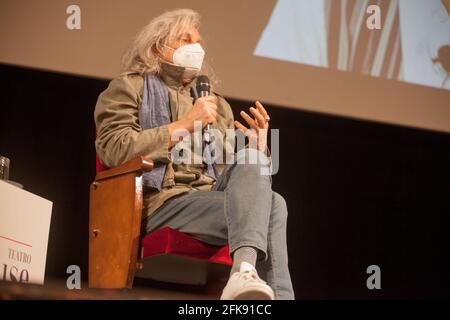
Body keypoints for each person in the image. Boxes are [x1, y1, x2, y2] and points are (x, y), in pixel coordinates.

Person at [94, 8, 294, 300]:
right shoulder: (129, 88)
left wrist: (256, 148)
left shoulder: (214, 103)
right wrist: (184, 125)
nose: (195, 47)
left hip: (207, 199)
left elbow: (235, 178)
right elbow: (114, 149)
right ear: (156, 46)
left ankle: (252, 278)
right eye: (185, 39)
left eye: (197, 40)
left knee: (271, 196)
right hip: (160, 202)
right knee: (273, 205)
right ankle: (249, 278)